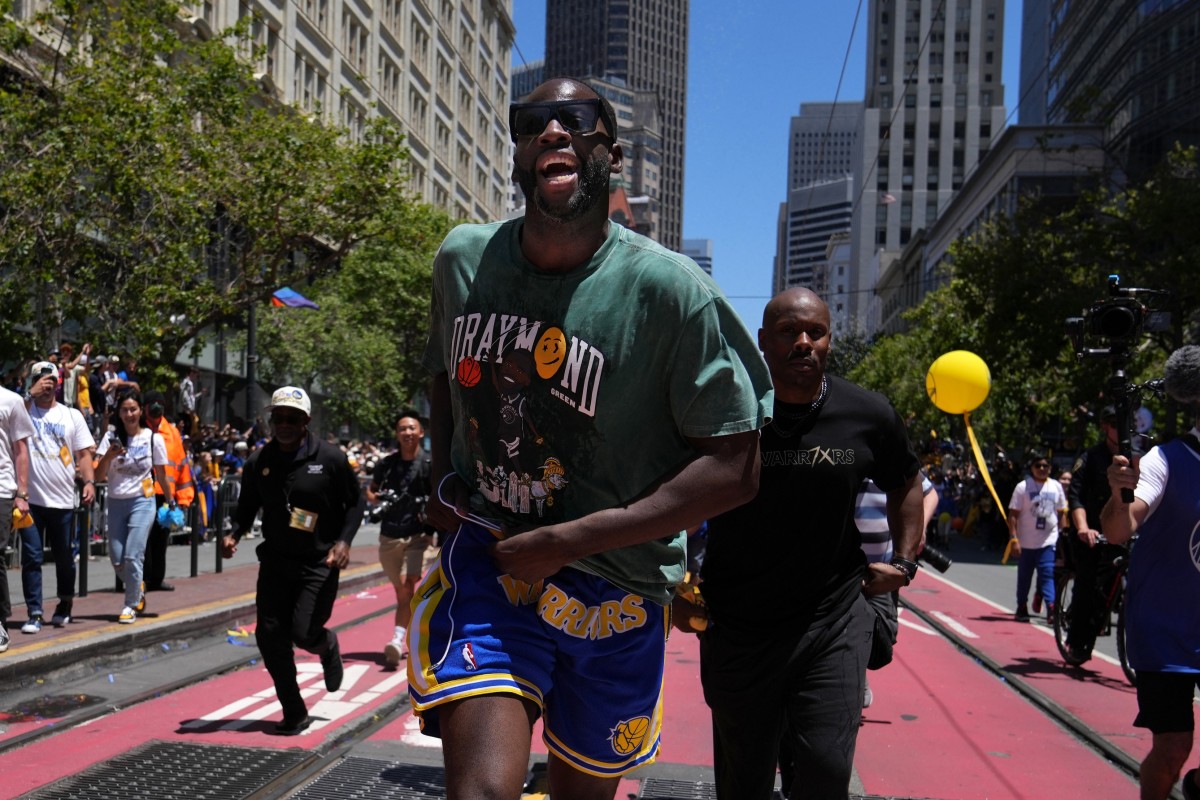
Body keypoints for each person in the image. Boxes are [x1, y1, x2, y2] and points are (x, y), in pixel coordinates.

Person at [412, 76, 772, 800]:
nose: (553, 131)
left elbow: (735, 468)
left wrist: (571, 541)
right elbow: (445, 379)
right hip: (495, 563)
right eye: (533, 121)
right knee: (479, 793)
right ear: (518, 153)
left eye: (575, 120)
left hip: (617, 591)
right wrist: (442, 479)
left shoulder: (671, 292)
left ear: (608, 151)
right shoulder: (463, 260)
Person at [697, 287, 924, 800]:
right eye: (788, 332)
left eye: (815, 332)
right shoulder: (725, 407)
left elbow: (907, 482)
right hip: (739, 626)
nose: (803, 343)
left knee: (824, 771)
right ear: (762, 341)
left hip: (833, 619)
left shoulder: (867, 414)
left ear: (828, 340)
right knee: (744, 781)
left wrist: (904, 564)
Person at [221, 386, 366, 735]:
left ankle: (326, 645)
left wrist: (344, 542)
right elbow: (247, 508)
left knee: (303, 632)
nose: (283, 425)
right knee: (270, 637)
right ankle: (294, 710)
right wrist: (234, 534)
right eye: (278, 418)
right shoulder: (259, 462)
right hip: (275, 562)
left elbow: (356, 503)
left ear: (306, 422)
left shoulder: (330, 458)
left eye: (292, 419)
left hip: (319, 562)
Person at [1101, 344, 1200, 800]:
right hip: (1165, 634)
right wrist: (1119, 492)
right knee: (1174, 748)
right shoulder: (1167, 459)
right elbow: (1121, 528)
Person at [19, 362, 96, 633]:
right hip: (30, 500)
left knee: (64, 557)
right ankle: (35, 612)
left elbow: (84, 454)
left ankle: (64, 602)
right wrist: (29, 394)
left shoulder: (71, 415)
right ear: (33, 382)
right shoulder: (23, 411)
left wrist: (89, 481)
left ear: (59, 383)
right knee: (31, 555)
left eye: (52, 378)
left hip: (63, 500)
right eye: (41, 378)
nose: (47, 383)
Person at [94, 390, 171, 624]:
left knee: (132, 555)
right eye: (125, 410)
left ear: (141, 411)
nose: (129, 414)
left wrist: (170, 501)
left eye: (133, 409)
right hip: (116, 502)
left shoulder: (153, 438)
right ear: (119, 412)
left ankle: (130, 605)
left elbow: (162, 474)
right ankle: (138, 586)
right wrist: (109, 455)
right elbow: (98, 475)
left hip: (143, 501)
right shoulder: (110, 438)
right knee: (117, 559)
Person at [367, 410, 436, 667]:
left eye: (411, 428)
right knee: (401, 593)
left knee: (408, 585)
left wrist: (431, 532)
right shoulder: (386, 464)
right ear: (397, 434)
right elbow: (370, 491)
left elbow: (437, 498)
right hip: (389, 537)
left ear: (420, 433)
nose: (407, 433)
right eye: (402, 429)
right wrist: (378, 500)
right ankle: (413, 634)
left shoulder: (429, 464)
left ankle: (397, 640)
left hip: (416, 536)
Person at [1063, 407, 1128, 664]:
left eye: (1124, 422)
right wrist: (1082, 528)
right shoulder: (1090, 457)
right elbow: (1075, 496)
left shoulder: (1135, 458)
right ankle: (1077, 641)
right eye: (1113, 423)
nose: (1119, 428)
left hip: (1120, 532)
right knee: (1088, 585)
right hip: (1091, 533)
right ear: (1104, 427)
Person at [141, 391, 194, 592]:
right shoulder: (137, 427)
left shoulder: (172, 433)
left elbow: (181, 467)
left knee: (160, 539)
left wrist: (183, 497)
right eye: (151, 403)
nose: (156, 406)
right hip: (141, 494)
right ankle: (141, 579)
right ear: (145, 407)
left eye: (159, 403)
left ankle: (156, 579)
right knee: (141, 539)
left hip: (164, 494)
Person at [1007, 451, 1068, 622]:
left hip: (1048, 540)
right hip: (1026, 541)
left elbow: (1062, 513)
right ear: (1032, 468)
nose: (1042, 469)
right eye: (1038, 466)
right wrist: (1014, 539)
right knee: (1024, 576)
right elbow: (1012, 515)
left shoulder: (1056, 486)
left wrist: (1064, 537)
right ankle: (1021, 605)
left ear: (1050, 468)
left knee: (1047, 573)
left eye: (1045, 466)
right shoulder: (1022, 487)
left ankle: (1051, 607)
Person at [1, 382, 36, 652]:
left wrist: (21, 493)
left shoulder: (10, 401)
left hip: (2, 489)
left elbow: (21, 449)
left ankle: (0, 622)